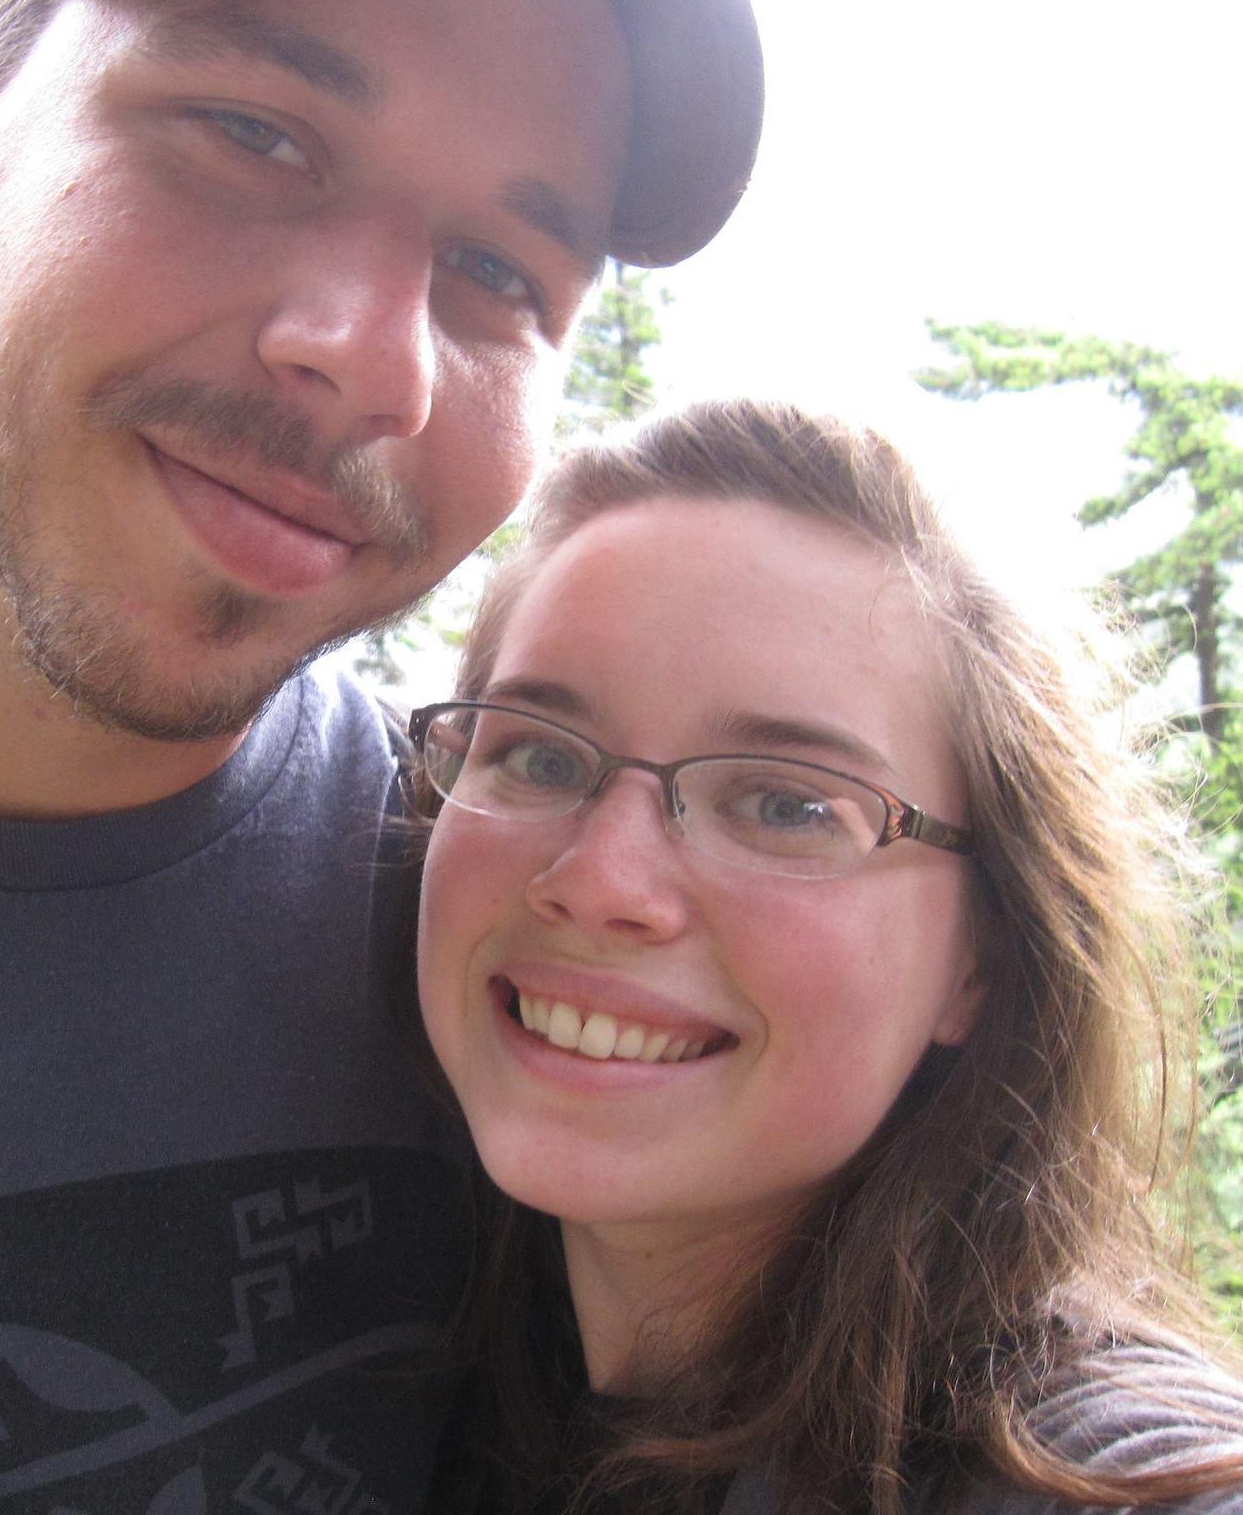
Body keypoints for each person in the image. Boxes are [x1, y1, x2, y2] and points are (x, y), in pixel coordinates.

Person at [0, 0, 764, 1508]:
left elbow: (932, 1358)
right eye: (255, 135)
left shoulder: (525, 956)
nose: (375, 362)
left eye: (495, 270)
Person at [411, 400, 1243, 1514]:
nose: (602, 881)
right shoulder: (398, 1376)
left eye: (787, 803)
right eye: (541, 757)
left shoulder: (1096, 1474)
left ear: (979, 961)